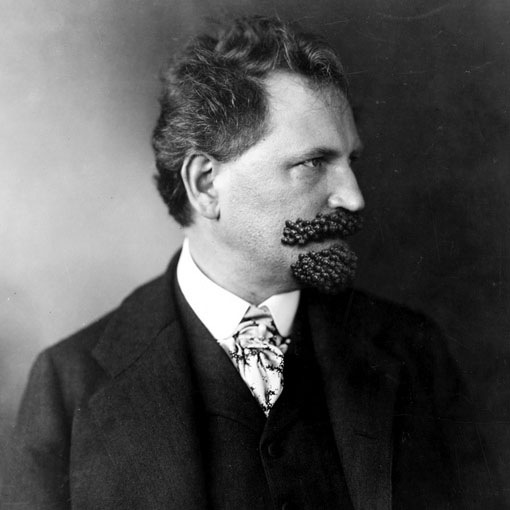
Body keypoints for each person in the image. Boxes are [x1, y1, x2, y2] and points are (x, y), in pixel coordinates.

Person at [0, 15, 501, 510]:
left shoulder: (414, 352)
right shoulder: (70, 386)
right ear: (205, 184)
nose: (353, 198)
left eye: (351, 162)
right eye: (312, 163)